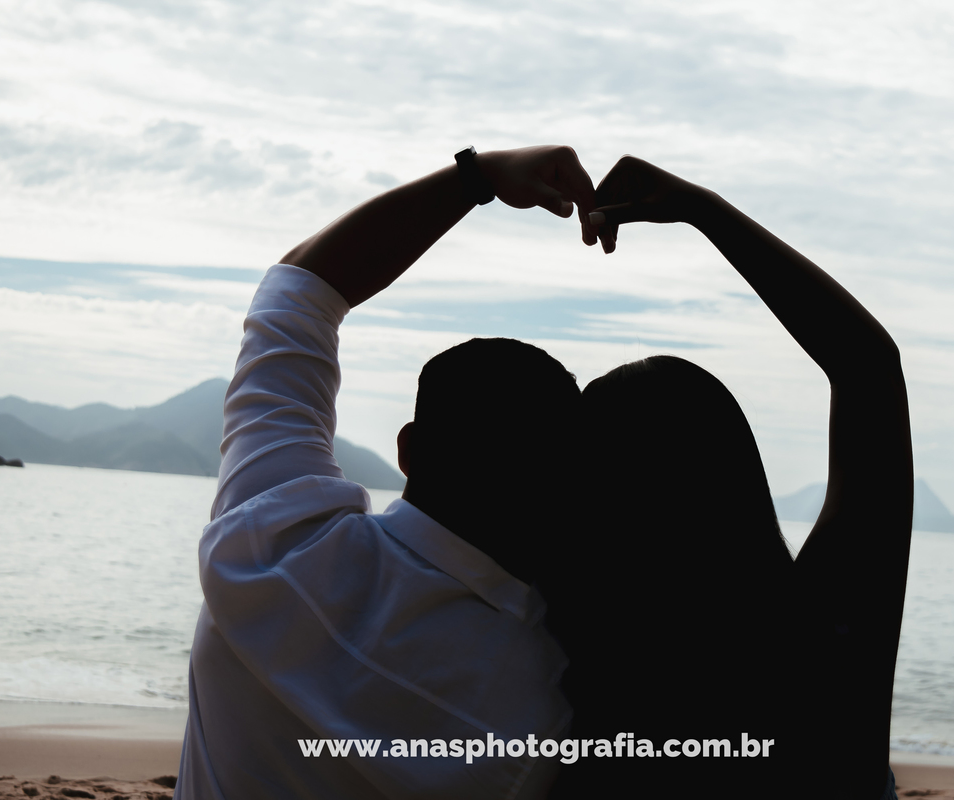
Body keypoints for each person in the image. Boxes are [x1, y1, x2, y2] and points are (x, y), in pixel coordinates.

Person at [173, 145, 602, 800]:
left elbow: (299, 294)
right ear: (566, 485)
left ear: (407, 450)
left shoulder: (271, 547)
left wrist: (479, 176)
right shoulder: (550, 700)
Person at [544, 157, 912, 800]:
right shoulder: (824, 646)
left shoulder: (560, 670)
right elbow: (867, 367)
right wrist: (703, 209)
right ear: (737, 475)